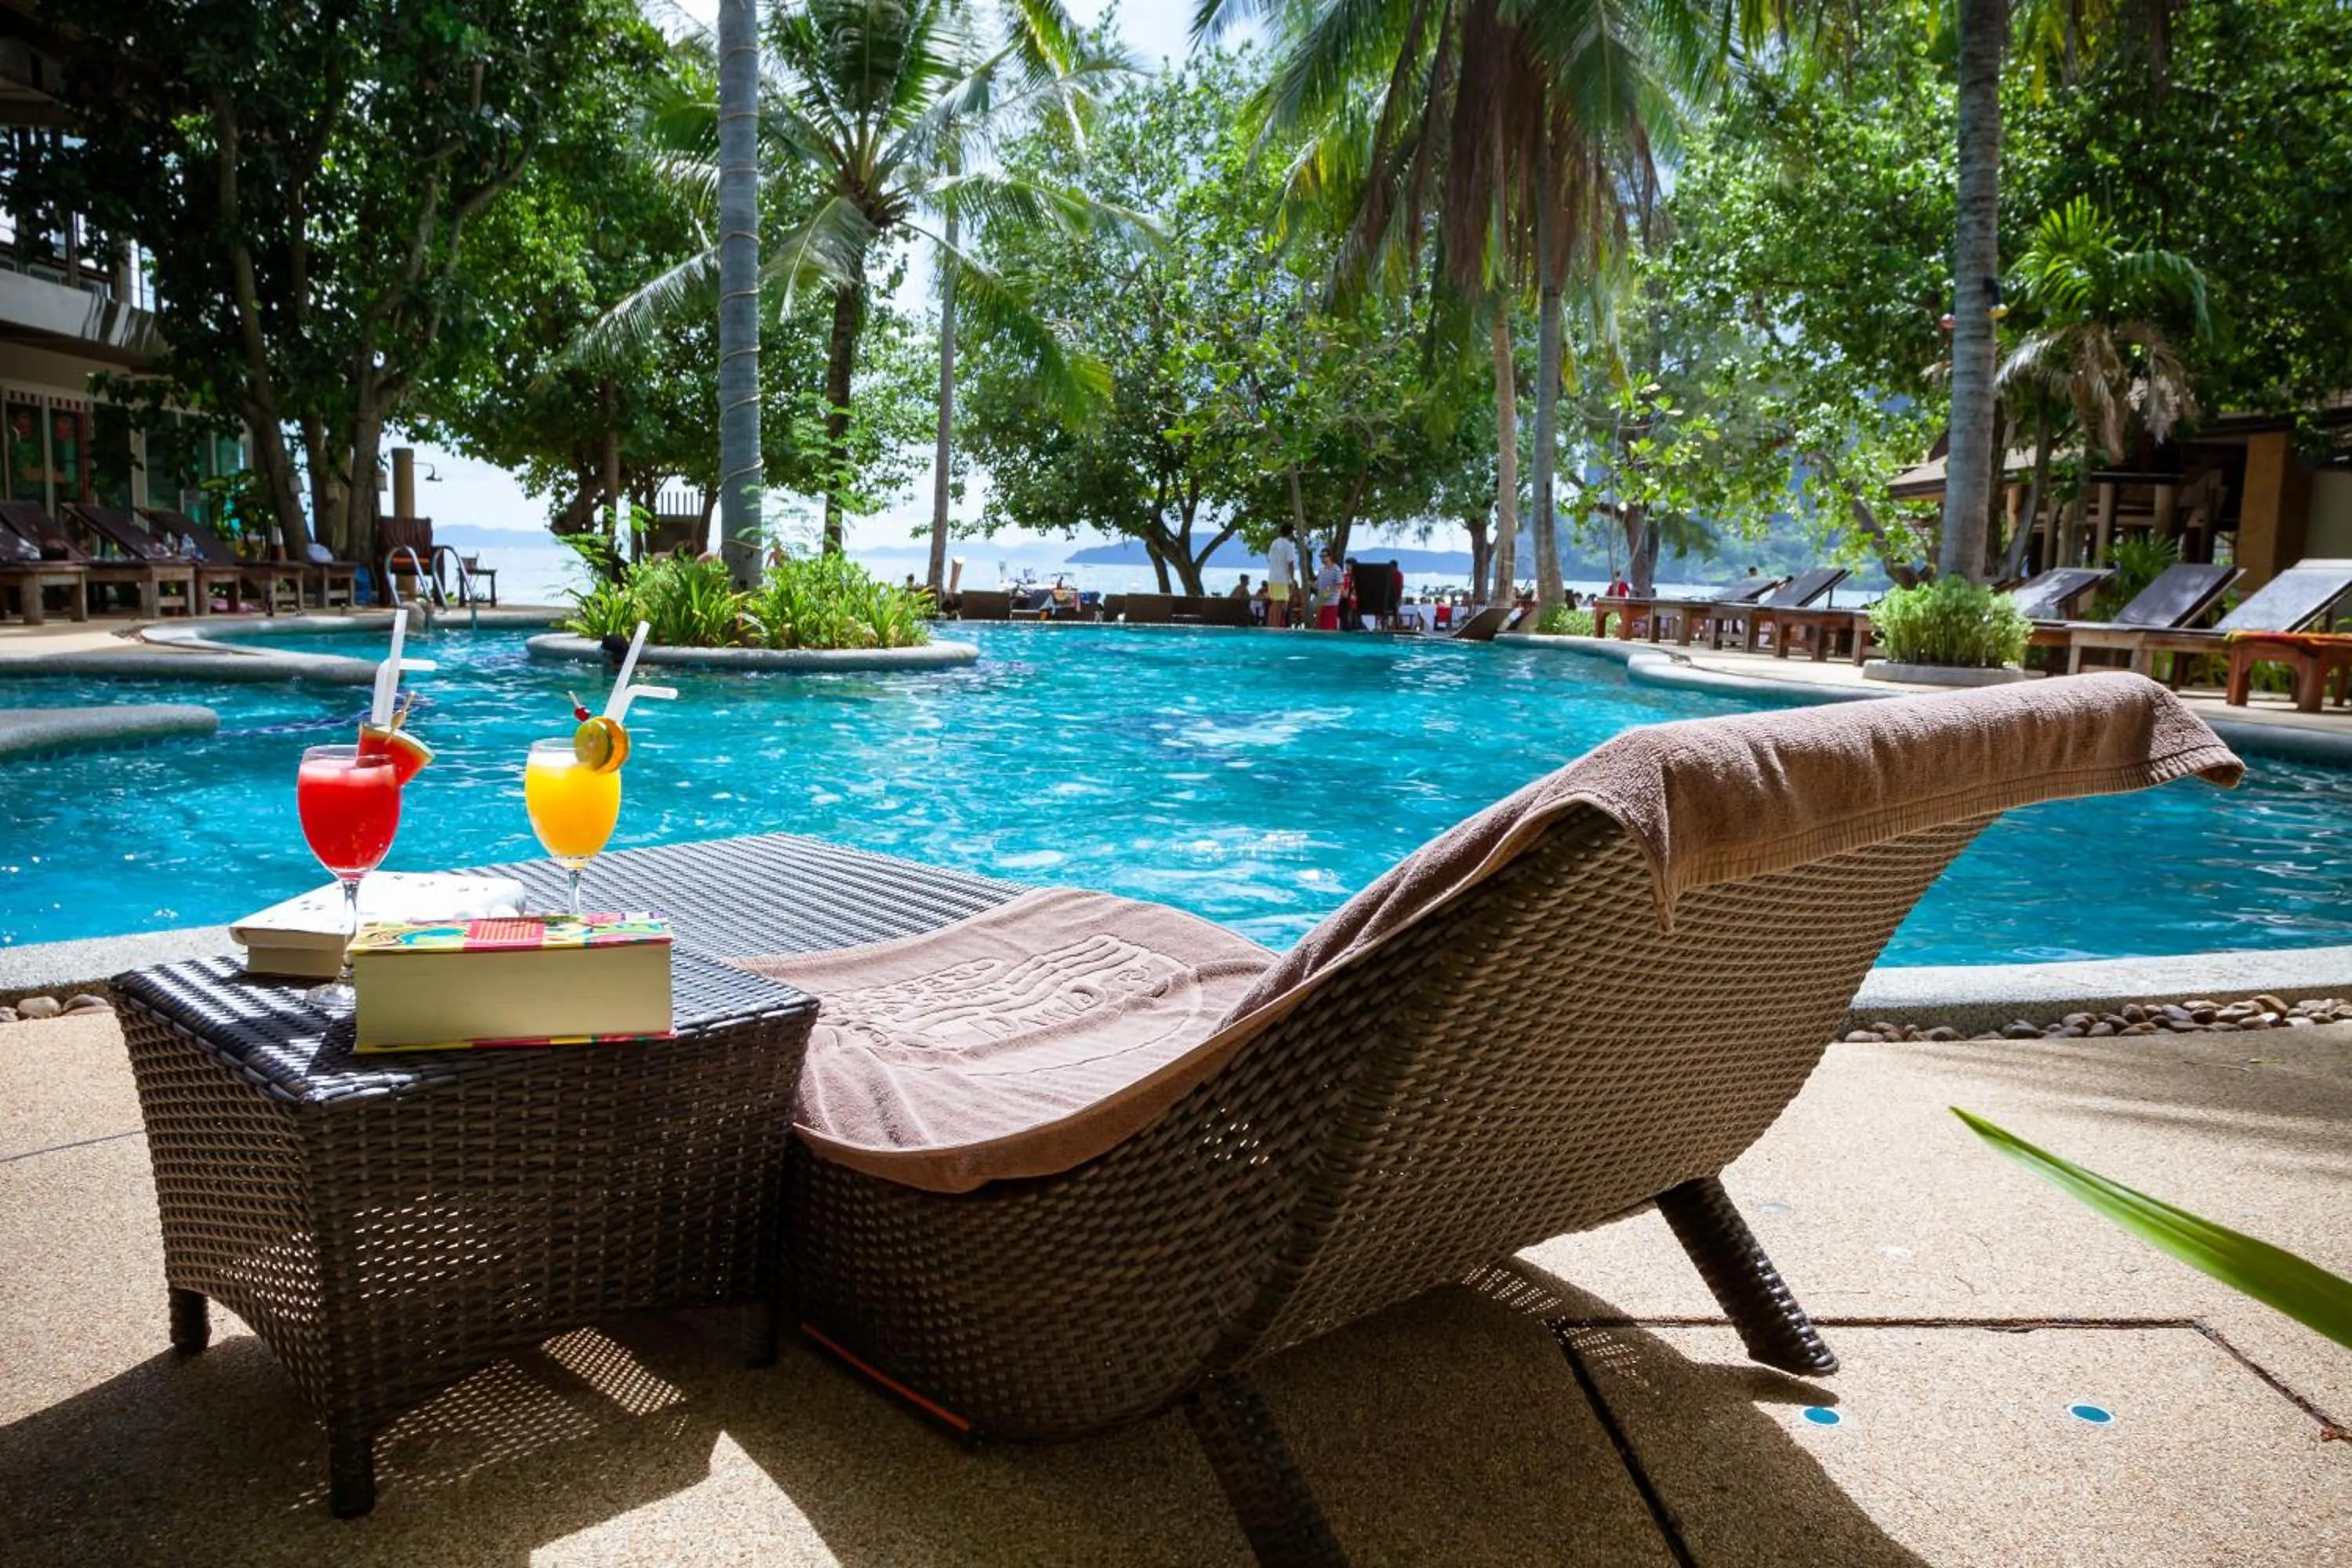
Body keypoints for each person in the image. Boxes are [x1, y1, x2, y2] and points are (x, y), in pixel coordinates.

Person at [1265, 525, 1298, 628]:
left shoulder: (1274, 543)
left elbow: (1270, 558)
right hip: (1282, 578)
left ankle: (1272, 625)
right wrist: (1292, 580)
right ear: (1290, 532)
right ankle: (1273, 627)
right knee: (1278, 602)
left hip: (1272, 577)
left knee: (1276, 602)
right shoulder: (1288, 545)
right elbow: (1291, 564)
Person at [1314, 548, 1345, 631]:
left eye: (1324, 556)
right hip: (1322, 602)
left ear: (1330, 557)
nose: (1322, 558)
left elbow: (1340, 584)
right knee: (1321, 626)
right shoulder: (1321, 569)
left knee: (1330, 627)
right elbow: (1319, 583)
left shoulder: (1336, 569)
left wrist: (1329, 591)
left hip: (1332, 603)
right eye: (1321, 556)